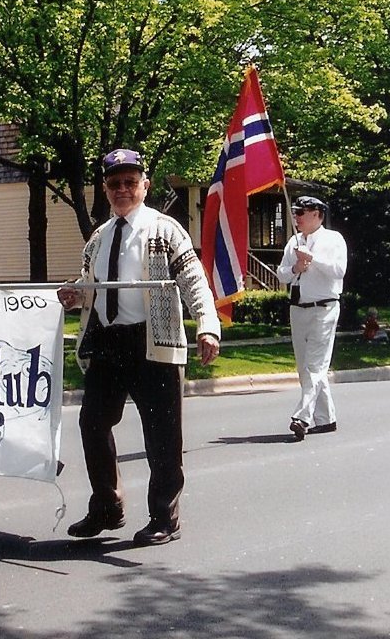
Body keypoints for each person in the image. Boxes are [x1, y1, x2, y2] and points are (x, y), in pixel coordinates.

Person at [58, 148, 221, 546]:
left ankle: (165, 517)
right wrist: (74, 295)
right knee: (92, 423)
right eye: (114, 184)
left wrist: (208, 325)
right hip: (108, 342)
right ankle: (107, 507)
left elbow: (193, 281)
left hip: (153, 342)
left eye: (130, 183)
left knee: (162, 435)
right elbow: (91, 286)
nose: (122, 191)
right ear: (105, 188)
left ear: (145, 185)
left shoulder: (165, 230)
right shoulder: (99, 237)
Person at [276, 195, 348, 441]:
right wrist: (296, 267)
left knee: (315, 367)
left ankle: (301, 417)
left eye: (301, 213)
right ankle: (326, 419)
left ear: (317, 214)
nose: (296, 217)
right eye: (295, 213)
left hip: (324, 309)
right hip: (298, 308)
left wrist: (312, 259)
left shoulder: (333, 239)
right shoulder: (293, 242)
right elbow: (282, 274)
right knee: (304, 368)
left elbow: (339, 270)